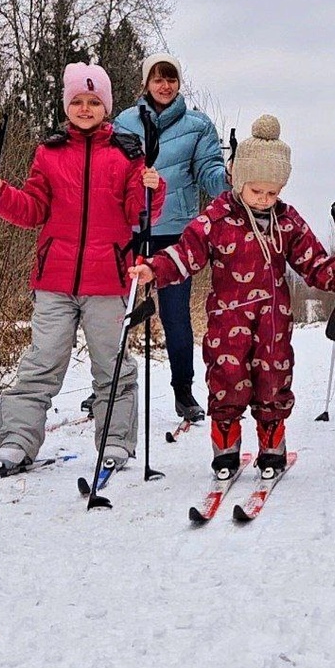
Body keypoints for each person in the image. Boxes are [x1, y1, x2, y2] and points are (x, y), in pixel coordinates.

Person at [130, 116, 335, 478]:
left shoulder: (287, 222)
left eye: (272, 193)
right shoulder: (216, 219)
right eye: (257, 192)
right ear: (238, 182)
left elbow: (311, 259)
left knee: (274, 381)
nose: (265, 200)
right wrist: (155, 269)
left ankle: (272, 442)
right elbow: (186, 252)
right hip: (227, 320)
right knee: (227, 379)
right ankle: (226, 445)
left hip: (274, 323)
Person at [0, 62, 163, 473]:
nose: (85, 108)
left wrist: (154, 186)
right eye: (77, 101)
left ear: (106, 106)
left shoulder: (127, 152)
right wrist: (1, 194)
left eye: (93, 101)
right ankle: (16, 441)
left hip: (109, 279)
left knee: (111, 364)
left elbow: (141, 212)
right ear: (67, 105)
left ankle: (115, 440)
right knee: (42, 361)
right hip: (55, 279)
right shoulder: (49, 151)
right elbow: (33, 209)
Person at [105, 53, 227, 424]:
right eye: (157, 78)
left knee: (176, 315)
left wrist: (229, 177)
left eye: (170, 78)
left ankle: (183, 391)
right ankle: (109, 384)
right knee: (117, 313)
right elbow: (111, 172)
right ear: (146, 83)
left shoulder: (198, 125)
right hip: (133, 230)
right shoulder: (124, 123)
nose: (164, 85)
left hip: (177, 232)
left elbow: (209, 173)